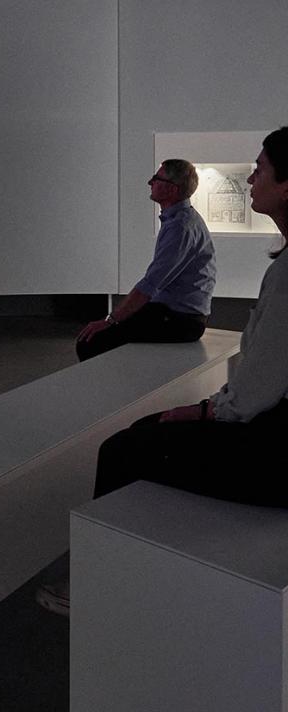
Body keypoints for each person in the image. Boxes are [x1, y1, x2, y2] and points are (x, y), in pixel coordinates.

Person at [38, 127, 288, 617]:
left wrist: (202, 411)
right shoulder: (198, 228)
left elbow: (256, 387)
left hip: (273, 447)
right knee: (135, 421)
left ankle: (100, 583)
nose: (252, 177)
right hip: (267, 422)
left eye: (260, 169)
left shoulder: (192, 232)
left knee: (120, 445)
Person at [76, 158, 216, 361]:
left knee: (90, 342)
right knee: (96, 339)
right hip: (174, 312)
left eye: (156, 178)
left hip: (182, 320)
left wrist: (110, 320)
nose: (150, 182)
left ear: (172, 189)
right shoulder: (180, 220)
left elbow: (151, 283)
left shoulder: (180, 226)